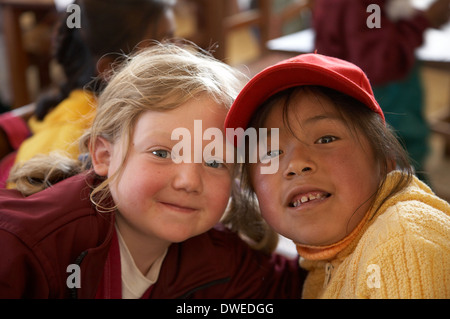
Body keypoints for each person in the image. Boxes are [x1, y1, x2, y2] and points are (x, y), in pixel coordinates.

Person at [0, 43, 305, 299]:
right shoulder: (24, 248)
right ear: (104, 155)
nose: (188, 181)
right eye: (161, 153)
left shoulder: (217, 256)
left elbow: (298, 287)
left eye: (214, 162)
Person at [224, 52, 450, 298]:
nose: (296, 163)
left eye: (325, 139)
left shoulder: (402, 245)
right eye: (270, 153)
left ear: (385, 160)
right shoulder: (325, 259)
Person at [0, 0, 177, 188]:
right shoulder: (76, 140)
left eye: (174, 39)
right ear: (112, 69)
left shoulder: (139, 113)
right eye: (163, 44)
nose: (178, 53)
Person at [311, 0, 450, 183]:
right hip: (383, 96)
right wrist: (423, 20)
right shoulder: (370, 6)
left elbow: (374, 30)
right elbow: (381, 61)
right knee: (400, 163)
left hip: (351, 90)